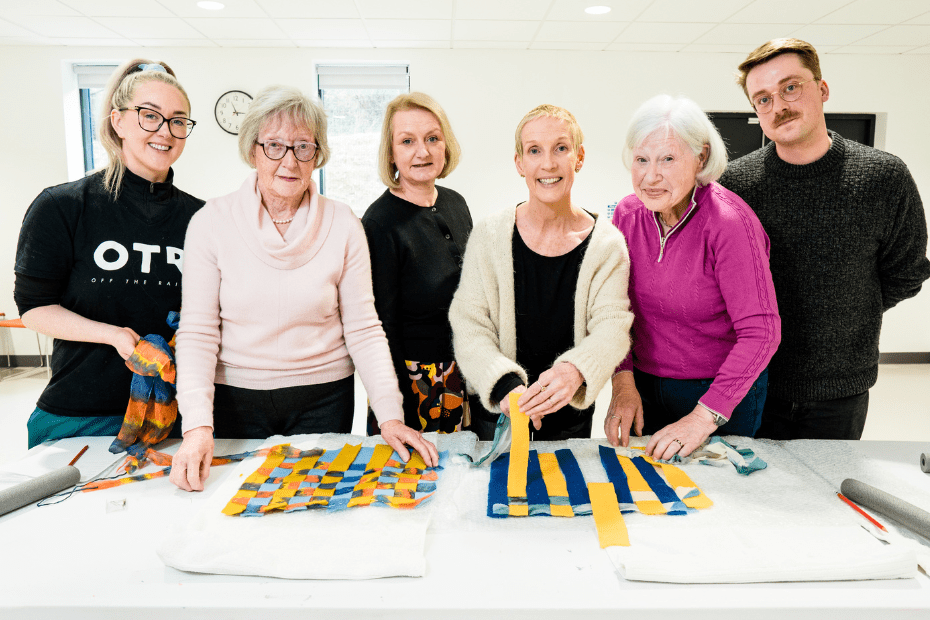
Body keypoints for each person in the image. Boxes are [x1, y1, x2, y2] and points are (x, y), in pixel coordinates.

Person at [170, 85, 437, 492]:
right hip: (234, 400)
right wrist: (196, 427)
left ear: (318, 155)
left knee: (314, 509)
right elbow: (197, 331)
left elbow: (364, 327)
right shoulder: (211, 222)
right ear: (253, 150)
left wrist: (390, 416)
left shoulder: (344, 223)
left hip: (323, 399)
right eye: (274, 146)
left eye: (303, 147)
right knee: (237, 506)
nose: (289, 161)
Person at [718, 38, 930, 440]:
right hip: (754, 381)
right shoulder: (737, 184)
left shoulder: (883, 177)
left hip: (841, 388)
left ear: (823, 89)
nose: (778, 106)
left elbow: (907, 272)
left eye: (790, 87)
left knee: (827, 496)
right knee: (753, 495)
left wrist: (849, 309)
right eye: (762, 99)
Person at [14, 59, 202, 448]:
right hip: (79, 415)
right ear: (117, 121)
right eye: (149, 116)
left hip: (177, 417)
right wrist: (111, 335)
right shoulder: (63, 206)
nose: (165, 131)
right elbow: (34, 308)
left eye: (178, 121)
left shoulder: (203, 218)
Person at [606, 95, 780, 460]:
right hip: (646, 386)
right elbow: (614, 307)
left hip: (720, 394)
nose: (650, 176)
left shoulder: (729, 223)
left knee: (717, 503)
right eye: (641, 159)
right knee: (654, 493)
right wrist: (622, 381)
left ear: (701, 157)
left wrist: (703, 417)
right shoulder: (626, 214)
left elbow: (762, 331)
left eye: (667, 159)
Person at [449, 104, 633, 441]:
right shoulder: (489, 236)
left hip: (571, 419)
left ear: (578, 157)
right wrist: (505, 385)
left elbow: (613, 326)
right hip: (498, 416)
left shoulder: (607, 244)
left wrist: (574, 369)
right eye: (535, 150)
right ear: (520, 163)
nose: (548, 163)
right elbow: (469, 323)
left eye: (560, 148)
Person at [362, 92, 473, 435]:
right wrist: (397, 408)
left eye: (432, 139)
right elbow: (382, 327)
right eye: (407, 141)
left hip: (461, 369)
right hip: (413, 382)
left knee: (460, 475)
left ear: (445, 145)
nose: (422, 152)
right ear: (391, 152)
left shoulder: (456, 203)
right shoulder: (380, 223)